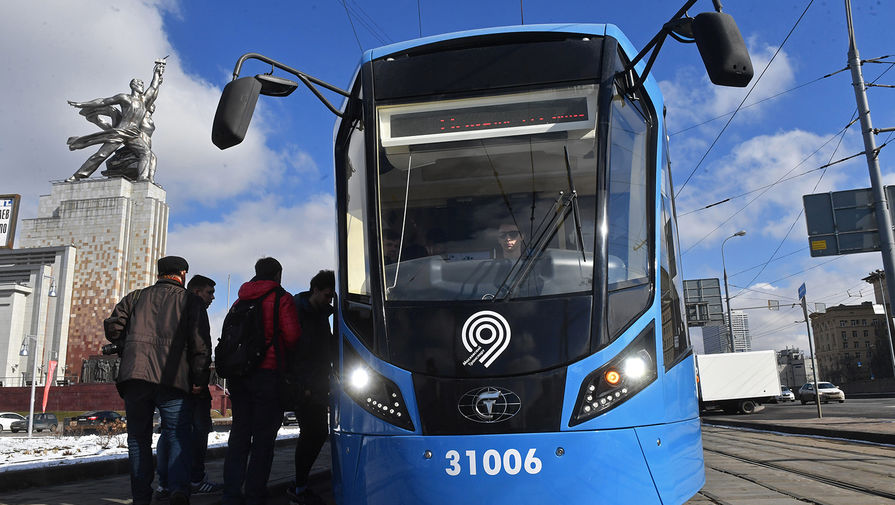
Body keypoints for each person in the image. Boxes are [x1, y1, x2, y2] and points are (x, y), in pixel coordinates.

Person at [104, 256, 211, 505]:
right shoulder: (190, 301)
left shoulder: (136, 297)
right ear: (182, 274)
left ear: (160, 273)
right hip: (173, 379)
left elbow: (113, 329)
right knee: (177, 435)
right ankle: (178, 490)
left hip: (136, 377)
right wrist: (200, 378)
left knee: (138, 439)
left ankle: (142, 497)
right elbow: (201, 345)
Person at [223, 258, 301, 505]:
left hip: (239, 375)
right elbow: (292, 337)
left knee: (239, 436)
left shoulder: (240, 299)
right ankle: (255, 493)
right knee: (264, 439)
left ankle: (231, 494)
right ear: (277, 274)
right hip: (267, 374)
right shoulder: (281, 297)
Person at [156, 275, 222, 497]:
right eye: (209, 292)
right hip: (191, 382)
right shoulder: (196, 309)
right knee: (198, 431)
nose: (213, 297)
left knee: (169, 432)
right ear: (195, 292)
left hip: (170, 380)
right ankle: (194, 479)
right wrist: (200, 381)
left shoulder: (171, 310)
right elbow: (201, 347)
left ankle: (165, 482)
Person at [65, 58, 165, 182]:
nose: (141, 85)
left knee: (146, 153)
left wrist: (157, 73)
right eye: (138, 83)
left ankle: (143, 178)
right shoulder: (125, 98)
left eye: (142, 84)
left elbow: (154, 87)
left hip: (133, 134)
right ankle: (77, 176)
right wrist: (83, 104)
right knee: (101, 154)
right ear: (133, 86)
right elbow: (103, 101)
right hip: (121, 131)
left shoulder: (144, 101)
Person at [286, 270, 336, 505]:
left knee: (315, 433)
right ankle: (298, 486)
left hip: (316, 383)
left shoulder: (320, 313)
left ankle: (299, 484)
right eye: (327, 295)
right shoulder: (298, 311)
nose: (330, 300)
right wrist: (300, 385)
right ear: (315, 289)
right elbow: (294, 351)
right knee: (314, 432)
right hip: (303, 385)